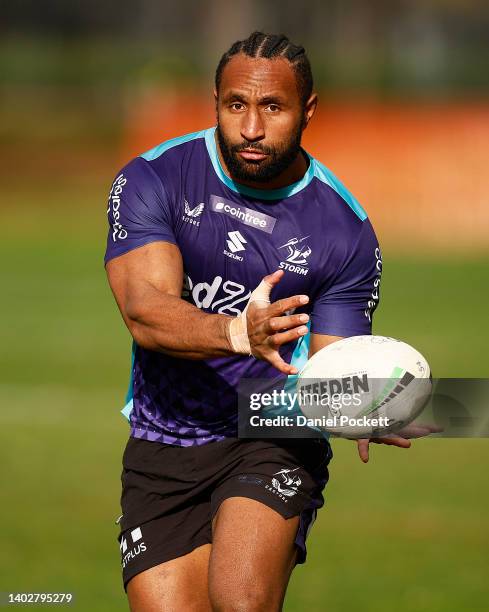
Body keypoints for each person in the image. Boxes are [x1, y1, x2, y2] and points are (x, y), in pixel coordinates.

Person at [105, 31, 411, 612]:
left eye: (272, 107)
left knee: (241, 601)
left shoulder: (343, 231)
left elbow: (329, 367)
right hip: (164, 433)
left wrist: (355, 405)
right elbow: (145, 313)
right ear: (215, 101)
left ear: (308, 110)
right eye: (234, 106)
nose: (250, 129)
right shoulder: (153, 178)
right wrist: (237, 333)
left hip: (270, 426)